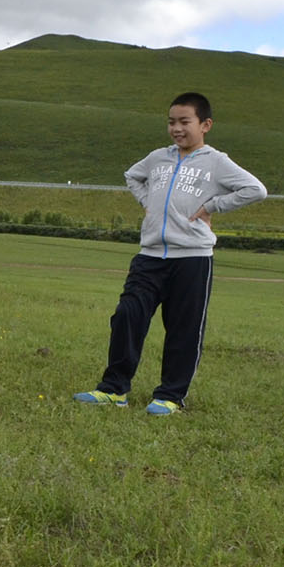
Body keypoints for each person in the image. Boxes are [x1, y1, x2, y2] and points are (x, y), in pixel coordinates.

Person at [74, 91, 266, 415]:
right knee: (127, 316)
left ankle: (170, 396)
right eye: (171, 122)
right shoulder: (157, 158)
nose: (177, 129)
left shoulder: (216, 162)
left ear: (205, 125)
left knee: (183, 329)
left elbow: (255, 190)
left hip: (192, 257)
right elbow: (132, 176)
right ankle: (114, 389)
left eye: (184, 122)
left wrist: (213, 205)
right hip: (150, 255)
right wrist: (149, 203)